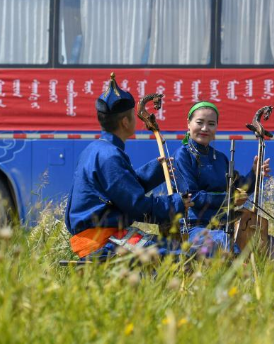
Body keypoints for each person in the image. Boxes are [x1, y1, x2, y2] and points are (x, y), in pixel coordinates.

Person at [65, 73, 192, 259]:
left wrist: (156, 170)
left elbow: (121, 190)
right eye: (133, 115)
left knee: (171, 247)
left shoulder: (96, 149)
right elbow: (136, 205)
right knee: (178, 254)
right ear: (125, 122)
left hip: (105, 236)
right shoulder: (109, 155)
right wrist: (176, 203)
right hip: (103, 241)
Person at [174, 101, 271, 256]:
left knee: (269, 245)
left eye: (211, 124)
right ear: (188, 124)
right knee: (224, 241)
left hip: (225, 225)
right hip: (194, 228)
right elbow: (192, 197)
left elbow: (240, 187)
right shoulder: (182, 155)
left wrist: (254, 173)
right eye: (200, 122)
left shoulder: (220, 158)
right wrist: (230, 199)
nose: (205, 128)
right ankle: (241, 269)